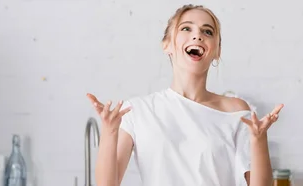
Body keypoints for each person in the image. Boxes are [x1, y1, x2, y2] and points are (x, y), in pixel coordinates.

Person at [86, 4, 284, 186]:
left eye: (208, 31)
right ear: (167, 45)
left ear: (217, 51)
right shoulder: (137, 111)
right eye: (186, 28)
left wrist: (259, 139)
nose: (197, 36)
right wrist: (110, 132)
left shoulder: (235, 111)